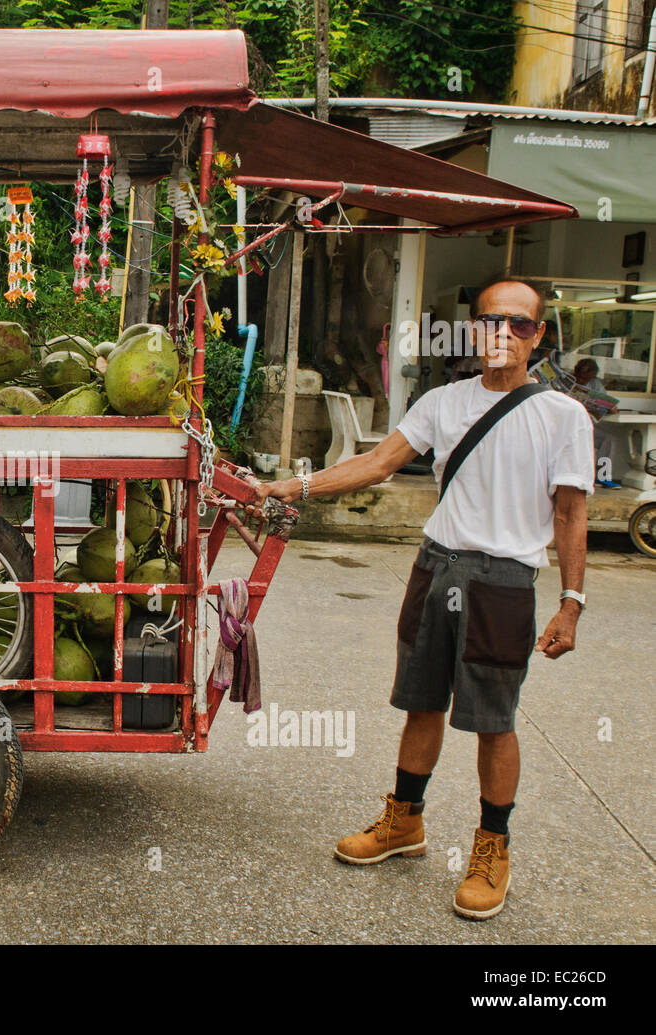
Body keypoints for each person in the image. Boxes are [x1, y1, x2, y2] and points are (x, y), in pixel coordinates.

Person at [251, 277, 593, 920]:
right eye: (493, 320)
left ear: (538, 335)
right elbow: (378, 462)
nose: (506, 333)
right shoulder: (442, 402)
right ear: (475, 329)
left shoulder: (563, 416)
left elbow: (571, 514)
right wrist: (286, 488)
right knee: (420, 702)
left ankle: (493, 846)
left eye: (521, 324)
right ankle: (405, 821)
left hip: (505, 580)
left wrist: (572, 602)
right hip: (436, 567)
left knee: (493, 719)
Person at [572, 359, 621, 488]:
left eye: (587, 378)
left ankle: (602, 476)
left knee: (609, 439)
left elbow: (609, 404)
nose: (584, 381)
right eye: (581, 377)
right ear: (576, 372)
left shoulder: (595, 383)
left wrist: (610, 406)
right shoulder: (567, 381)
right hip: (567, 427)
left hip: (586, 426)